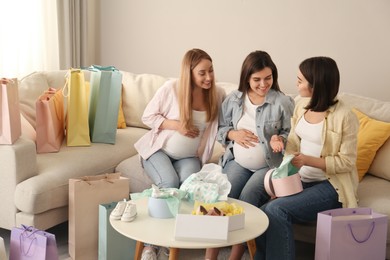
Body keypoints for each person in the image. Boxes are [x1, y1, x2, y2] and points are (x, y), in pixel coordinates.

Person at [254, 56, 359, 260]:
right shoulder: (302, 104)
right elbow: (293, 141)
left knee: (277, 210)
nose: (296, 84)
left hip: (331, 185)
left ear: (316, 84)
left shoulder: (345, 116)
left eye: (300, 80)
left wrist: (308, 161)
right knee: (263, 211)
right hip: (301, 179)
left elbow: (347, 162)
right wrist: (281, 143)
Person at [134, 48, 225, 260]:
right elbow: (147, 116)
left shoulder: (218, 94)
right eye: (202, 73)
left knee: (189, 187)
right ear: (190, 72)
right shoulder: (171, 89)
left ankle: (175, 237)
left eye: (211, 71)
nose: (209, 77)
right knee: (170, 181)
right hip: (159, 151)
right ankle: (152, 245)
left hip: (189, 157)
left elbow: (227, 122)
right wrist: (177, 125)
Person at [205, 50, 294, 260]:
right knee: (224, 196)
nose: (263, 84)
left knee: (247, 199)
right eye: (257, 79)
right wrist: (233, 134)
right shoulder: (234, 100)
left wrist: (279, 140)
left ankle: (235, 256)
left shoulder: (282, 102)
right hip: (237, 162)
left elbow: (292, 135)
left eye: (268, 78)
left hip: (267, 166)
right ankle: (211, 256)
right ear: (246, 77)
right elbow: (220, 131)